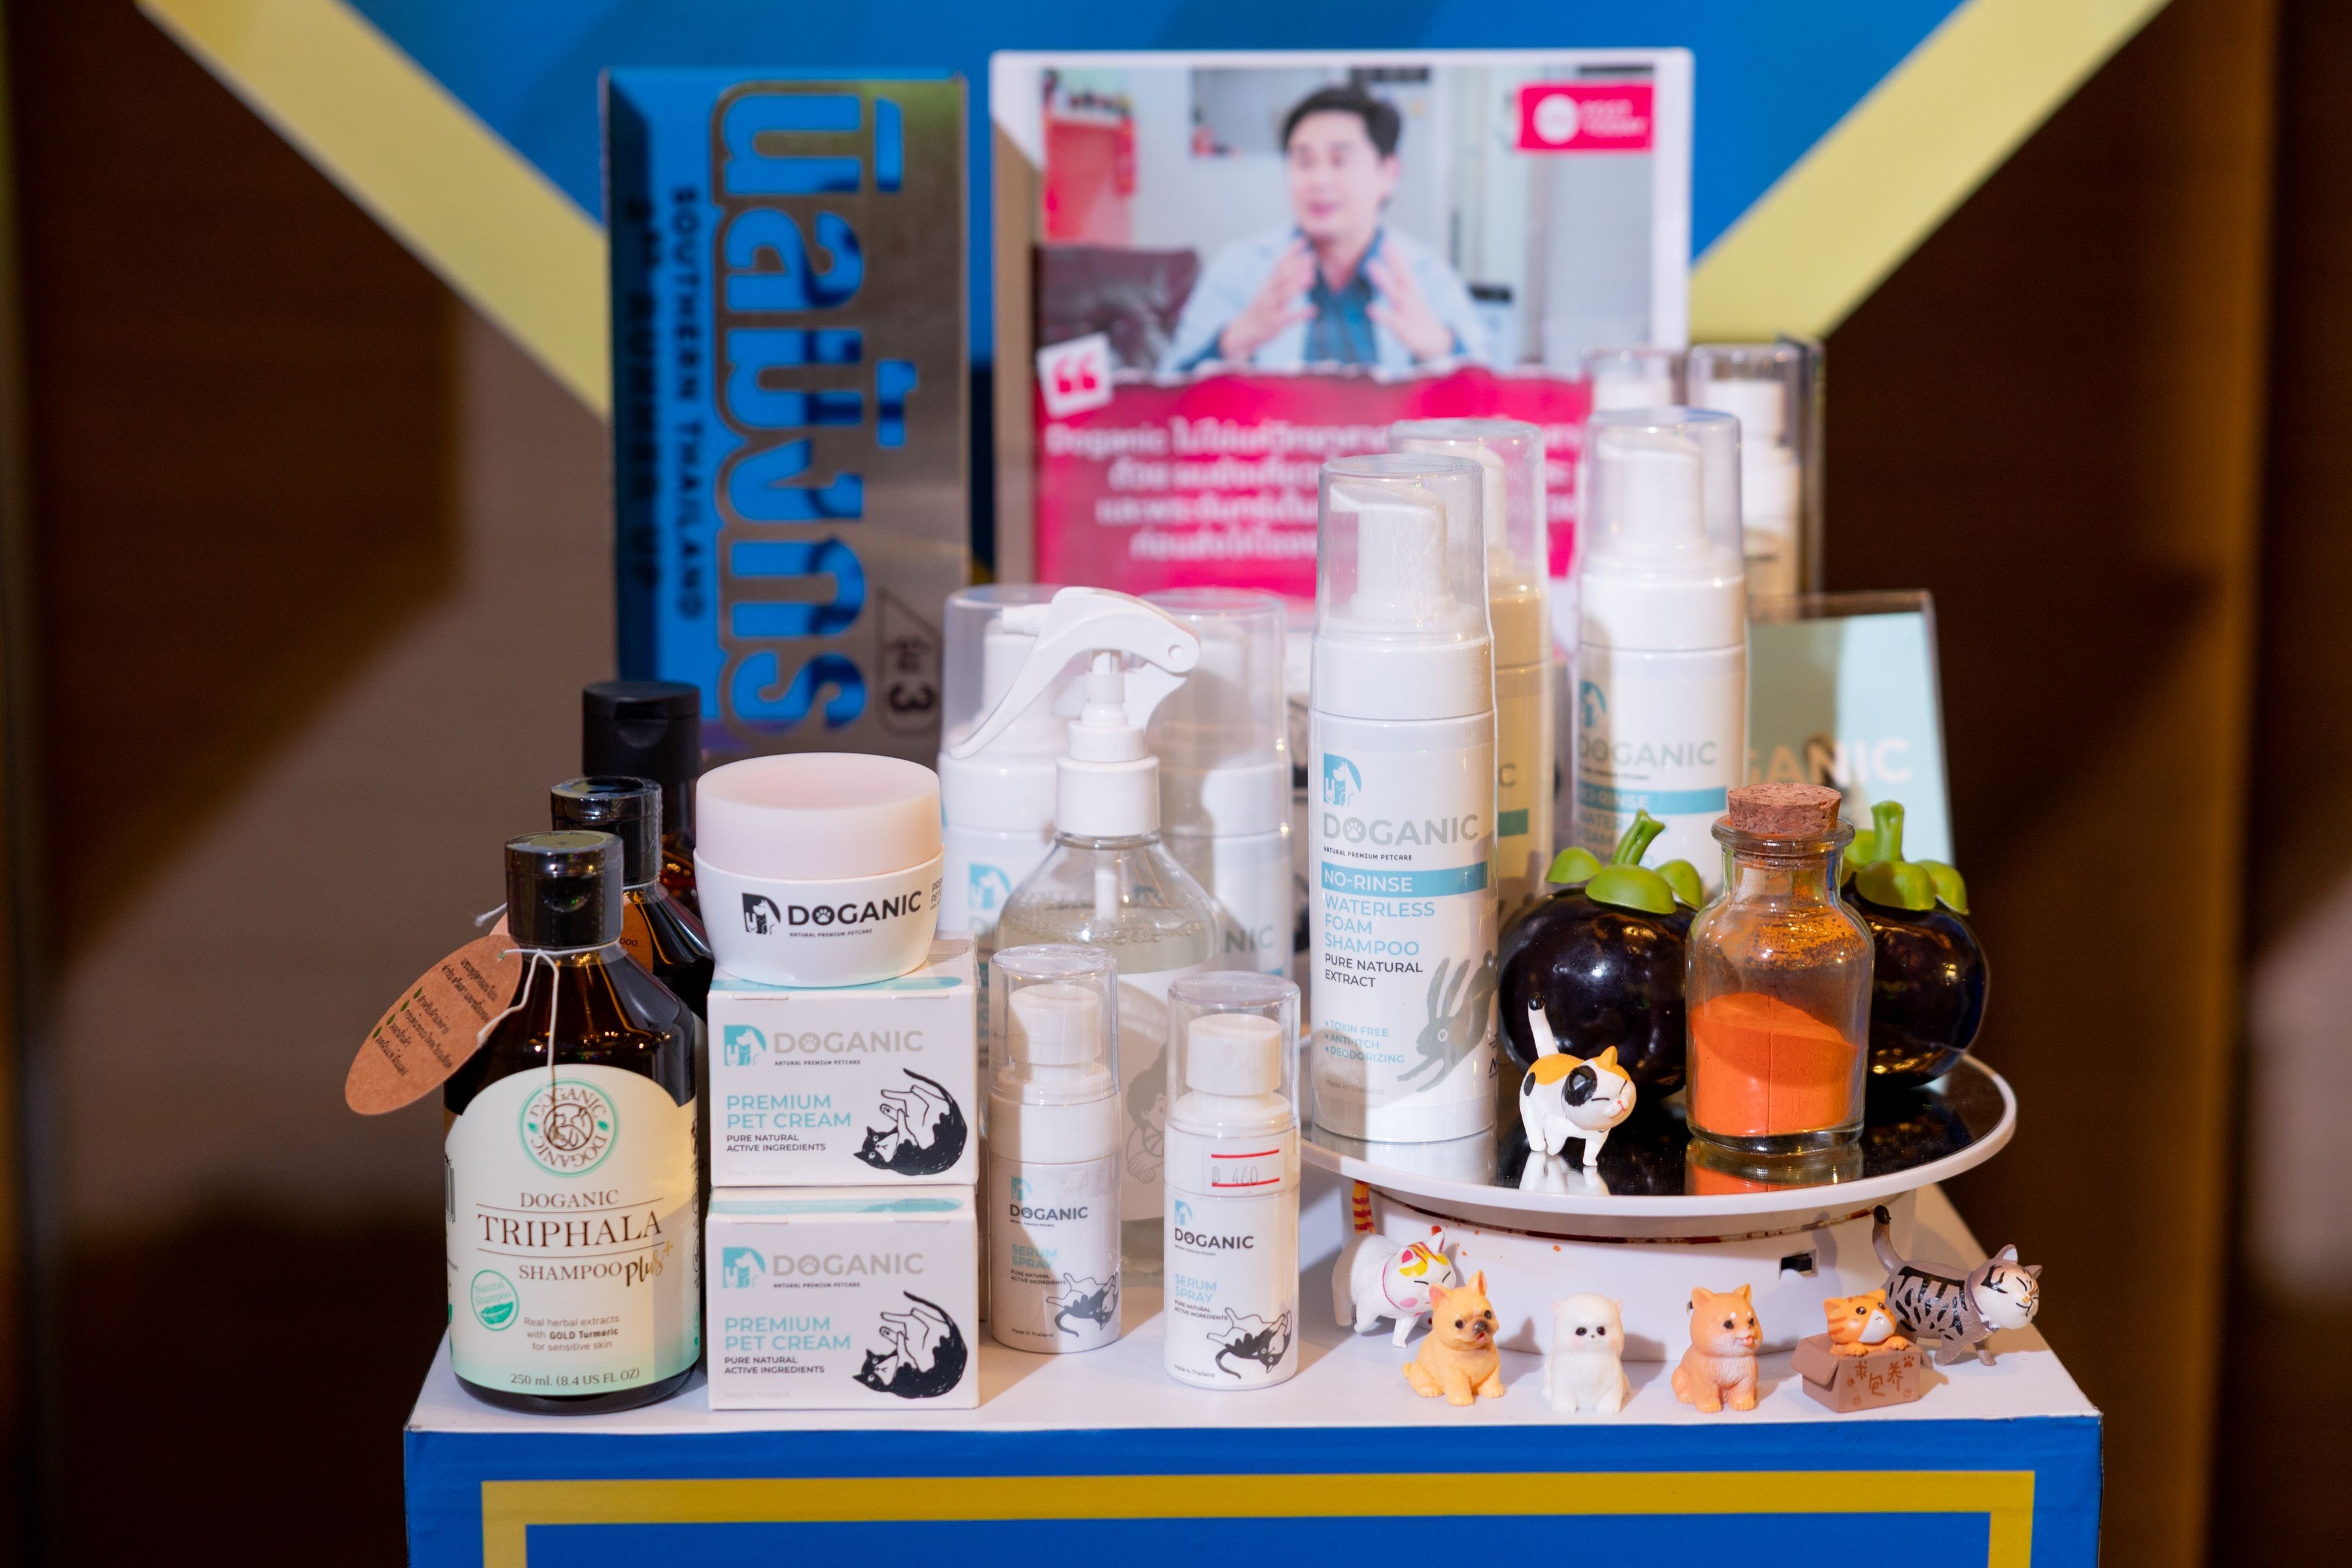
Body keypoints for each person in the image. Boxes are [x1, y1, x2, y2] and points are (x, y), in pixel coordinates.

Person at [1158, 84, 1488, 374]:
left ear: (1388, 174)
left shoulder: (1428, 275)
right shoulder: (1238, 267)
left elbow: (1488, 399)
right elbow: (1166, 395)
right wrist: (1232, 342)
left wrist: (1440, 348)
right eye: (1303, 162)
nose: (1319, 181)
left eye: (1339, 161)